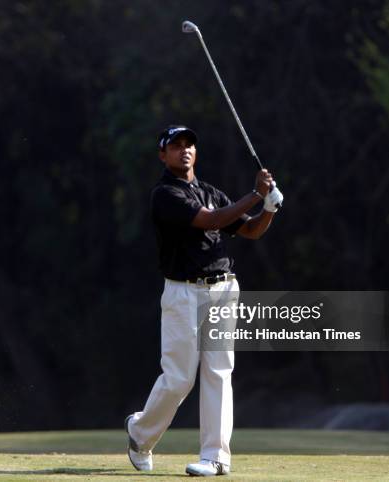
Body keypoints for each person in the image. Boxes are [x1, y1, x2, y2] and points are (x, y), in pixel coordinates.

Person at [125, 125, 283, 477]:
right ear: (162, 154)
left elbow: (249, 229)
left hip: (223, 289)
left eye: (190, 145)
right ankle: (140, 433)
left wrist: (269, 208)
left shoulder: (211, 191)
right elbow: (210, 221)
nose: (184, 150)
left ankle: (216, 457)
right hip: (183, 292)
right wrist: (256, 195)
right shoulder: (165, 194)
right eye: (176, 146)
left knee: (218, 373)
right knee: (179, 378)